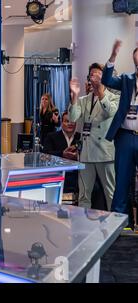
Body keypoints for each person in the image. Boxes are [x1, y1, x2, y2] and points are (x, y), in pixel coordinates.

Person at [69, 63, 119, 211]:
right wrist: (74, 96)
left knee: (110, 193)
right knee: (84, 195)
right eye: (91, 76)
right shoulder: (84, 99)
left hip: (105, 153)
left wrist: (100, 92)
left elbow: (109, 112)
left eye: (97, 75)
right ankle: (84, 229)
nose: (93, 79)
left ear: (104, 78)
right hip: (86, 153)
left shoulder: (114, 97)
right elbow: (73, 117)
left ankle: (114, 230)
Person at [101, 39, 138, 226]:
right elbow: (106, 80)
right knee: (122, 181)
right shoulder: (126, 80)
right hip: (125, 137)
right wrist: (113, 56)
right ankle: (119, 225)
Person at [43, 111, 81, 193]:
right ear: (61, 123)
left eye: (72, 121)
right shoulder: (52, 136)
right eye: (67, 121)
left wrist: (78, 156)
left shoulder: (81, 137)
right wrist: (62, 154)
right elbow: (45, 154)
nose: (70, 124)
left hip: (78, 177)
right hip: (58, 176)